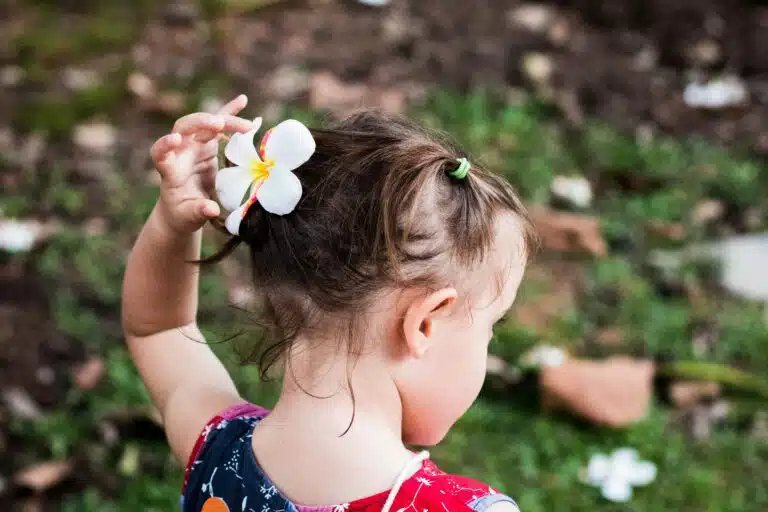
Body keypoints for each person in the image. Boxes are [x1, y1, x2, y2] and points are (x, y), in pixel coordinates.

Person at [122, 94, 536, 512]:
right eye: (491, 326)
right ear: (424, 323)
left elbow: (159, 329)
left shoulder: (216, 447)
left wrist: (173, 223)